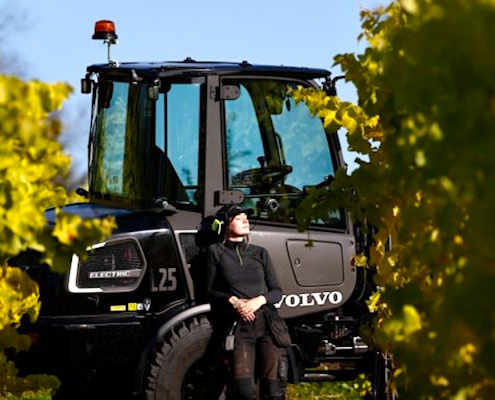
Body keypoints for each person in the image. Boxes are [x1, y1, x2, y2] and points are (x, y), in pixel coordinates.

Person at [206, 204, 286, 400]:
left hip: (268, 326)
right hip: (240, 328)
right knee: (242, 391)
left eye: (246, 217)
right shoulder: (216, 252)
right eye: (238, 217)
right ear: (225, 224)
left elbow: (277, 292)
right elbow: (209, 290)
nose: (245, 220)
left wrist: (258, 301)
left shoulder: (260, 252)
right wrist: (234, 301)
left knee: (273, 390)